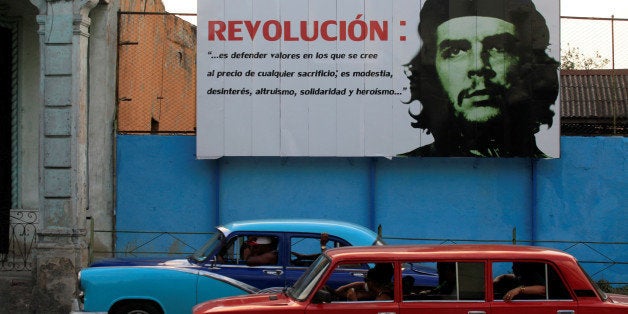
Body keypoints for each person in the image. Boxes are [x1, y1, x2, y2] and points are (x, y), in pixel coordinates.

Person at [401, 0, 559, 157]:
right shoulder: (405, 169)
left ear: (528, 63)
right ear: (432, 71)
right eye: (455, 51)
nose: (478, 66)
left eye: (498, 48)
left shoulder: (542, 169)